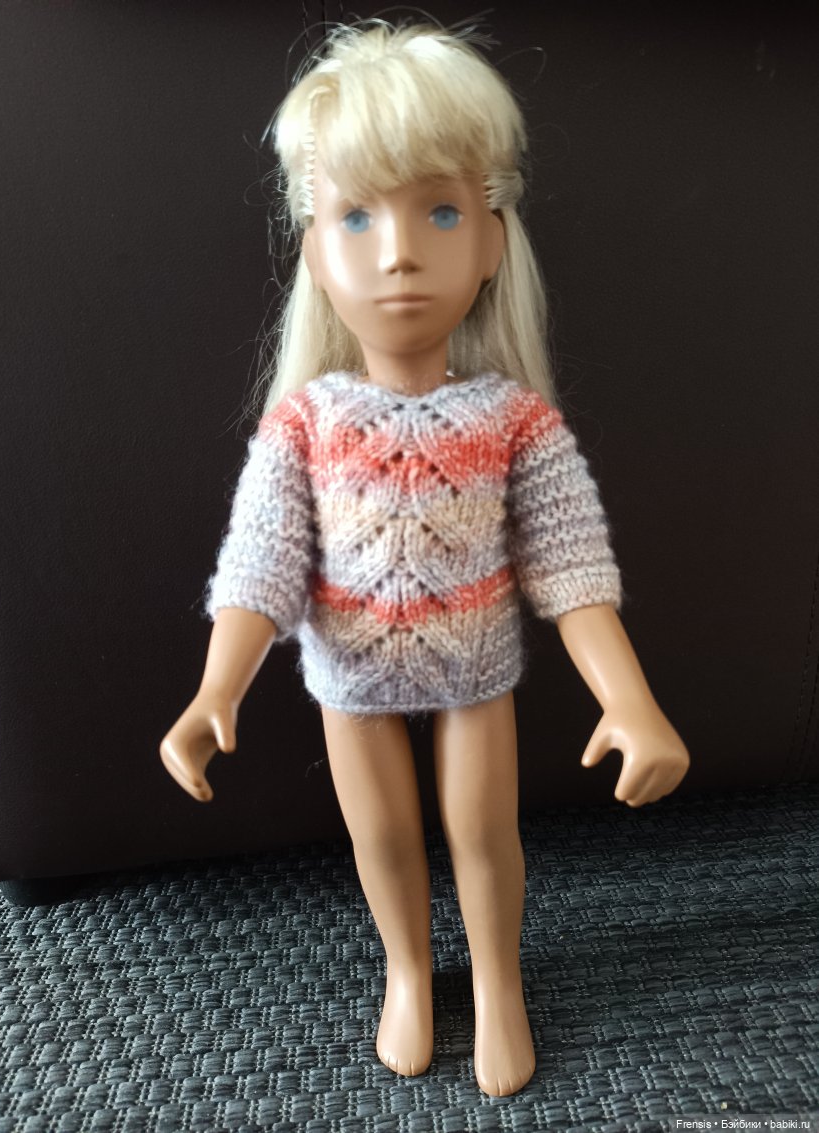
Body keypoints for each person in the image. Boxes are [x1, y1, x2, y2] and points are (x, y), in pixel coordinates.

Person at [160, 19, 690, 1097]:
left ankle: (497, 978)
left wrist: (630, 700)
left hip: (474, 670)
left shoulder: (513, 421)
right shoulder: (306, 423)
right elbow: (261, 561)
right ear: (317, 250)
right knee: (385, 837)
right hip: (347, 677)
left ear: (491, 242)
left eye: (440, 212)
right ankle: (407, 970)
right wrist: (218, 688)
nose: (398, 251)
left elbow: (571, 568)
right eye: (357, 216)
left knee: (484, 835)